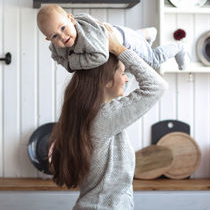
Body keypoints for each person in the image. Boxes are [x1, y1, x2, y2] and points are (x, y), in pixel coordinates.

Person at [49, 28, 168, 209]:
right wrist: (118, 49)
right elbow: (156, 86)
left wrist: (122, 49)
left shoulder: (88, 115)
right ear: (104, 81)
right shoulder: (104, 117)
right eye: (122, 73)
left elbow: (123, 85)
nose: (126, 78)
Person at [37, 4, 190, 72]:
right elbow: (58, 58)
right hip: (120, 34)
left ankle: (177, 47)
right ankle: (147, 33)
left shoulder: (87, 38)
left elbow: (101, 57)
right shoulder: (55, 47)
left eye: (63, 28)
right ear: (48, 39)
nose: (62, 36)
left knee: (152, 61)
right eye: (55, 36)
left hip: (128, 43)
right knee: (129, 63)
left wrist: (72, 62)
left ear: (71, 19)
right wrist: (66, 62)